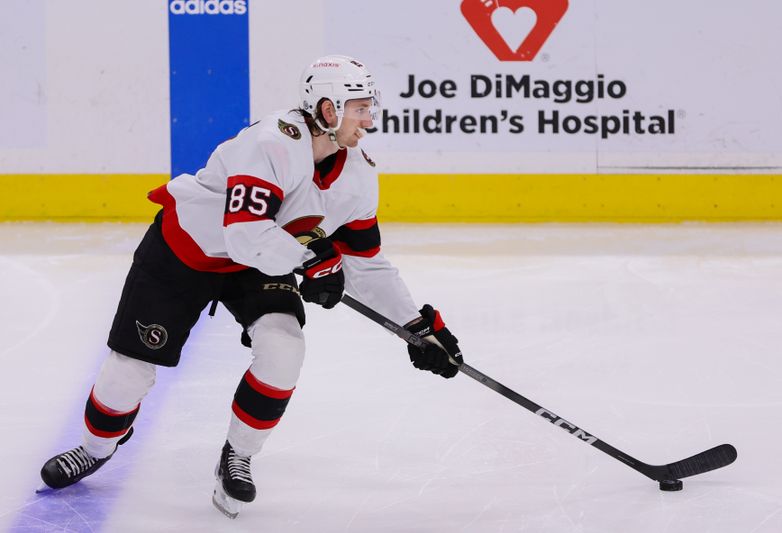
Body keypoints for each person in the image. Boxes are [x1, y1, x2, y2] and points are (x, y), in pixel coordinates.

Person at [38, 54, 464, 519]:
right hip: (186, 251)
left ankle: (237, 455)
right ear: (327, 109)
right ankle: (95, 447)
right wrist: (313, 263)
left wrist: (416, 326)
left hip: (263, 259)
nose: (369, 119)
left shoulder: (359, 173)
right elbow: (243, 235)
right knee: (129, 372)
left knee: (284, 349)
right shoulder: (272, 143)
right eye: (359, 107)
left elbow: (366, 264)